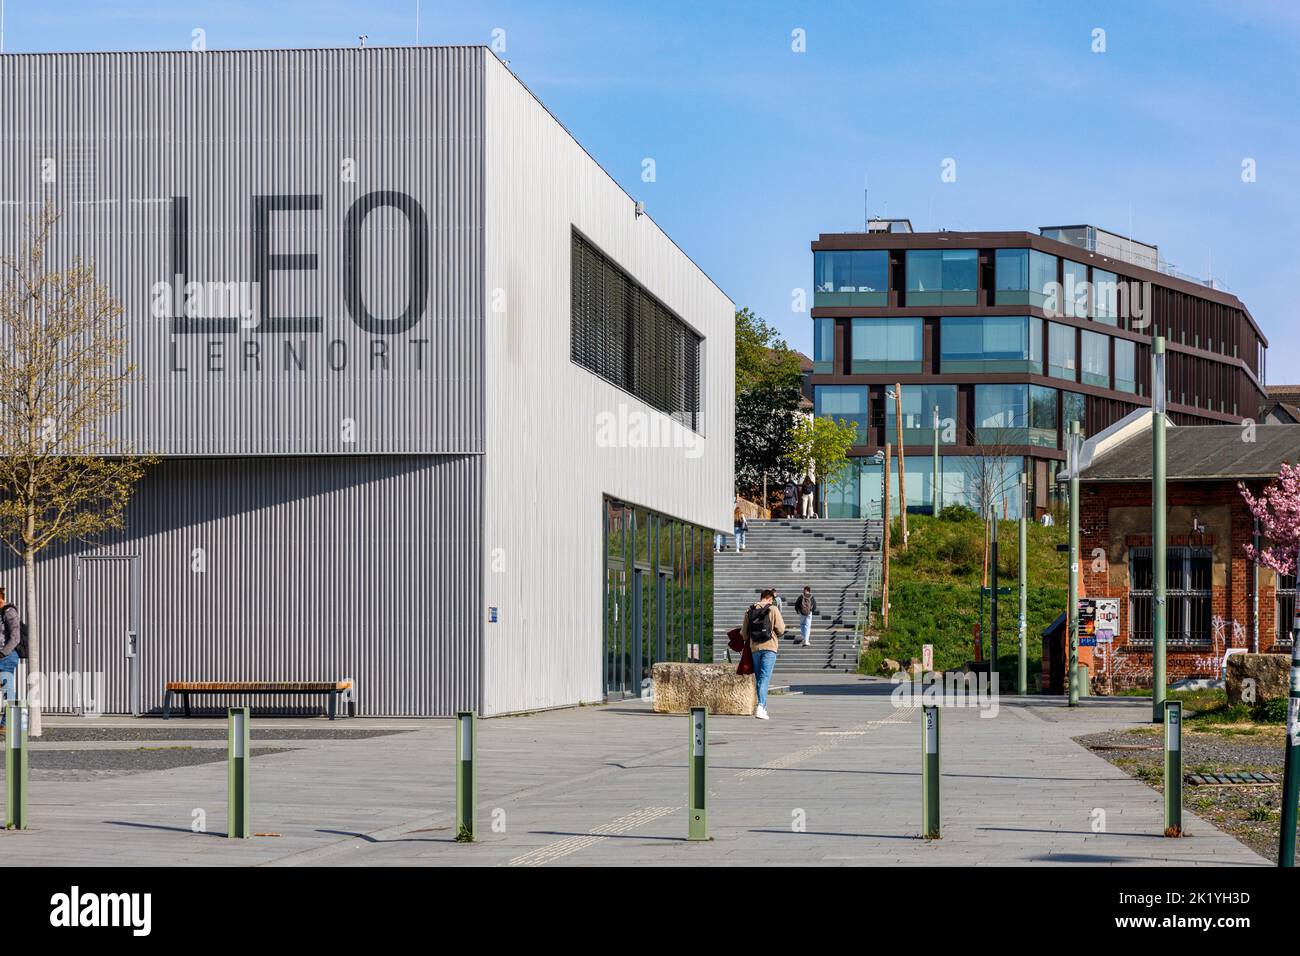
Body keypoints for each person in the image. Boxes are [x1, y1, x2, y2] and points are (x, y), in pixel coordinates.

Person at [741, 588, 785, 720]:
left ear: (761, 597)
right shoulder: (773, 609)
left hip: (755, 648)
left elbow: (744, 634)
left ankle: (762, 707)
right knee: (765, 677)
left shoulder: (749, 610)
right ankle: (760, 706)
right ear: (770, 599)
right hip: (769, 647)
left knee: (760, 678)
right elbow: (781, 629)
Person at [0, 588, 22, 732]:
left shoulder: (9, 612)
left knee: (8, 689)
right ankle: (6, 723)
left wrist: (3, 653)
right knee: (7, 689)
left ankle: (9, 723)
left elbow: (15, 637)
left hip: (6, 657)